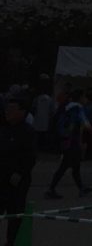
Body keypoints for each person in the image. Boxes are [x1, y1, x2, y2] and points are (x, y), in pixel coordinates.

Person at [45, 89, 92, 199]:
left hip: (65, 140)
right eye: (84, 97)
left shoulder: (66, 107)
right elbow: (85, 124)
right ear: (81, 97)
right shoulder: (78, 108)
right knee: (65, 166)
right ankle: (51, 188)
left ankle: (81, 187)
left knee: (74, 165)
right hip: (73, 141)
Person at [1, 96, 36, 246]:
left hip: (16, 181)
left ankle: (11, 242)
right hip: (1, 178)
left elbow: (30, 157)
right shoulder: (3, 129)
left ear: (22, 112)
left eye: (12, 109)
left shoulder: (27, 131)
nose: (7, 112)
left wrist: (19, 173)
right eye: (6, 109)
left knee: (14, 214)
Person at [31, 86, 53, 152]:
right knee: (44, 134)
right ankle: (43, 147)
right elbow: (52, 110)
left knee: (37, 134)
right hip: (46, 120)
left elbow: (33, 109)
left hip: (37, 119)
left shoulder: (36, 99)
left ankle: (37, 147)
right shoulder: (50, 99)